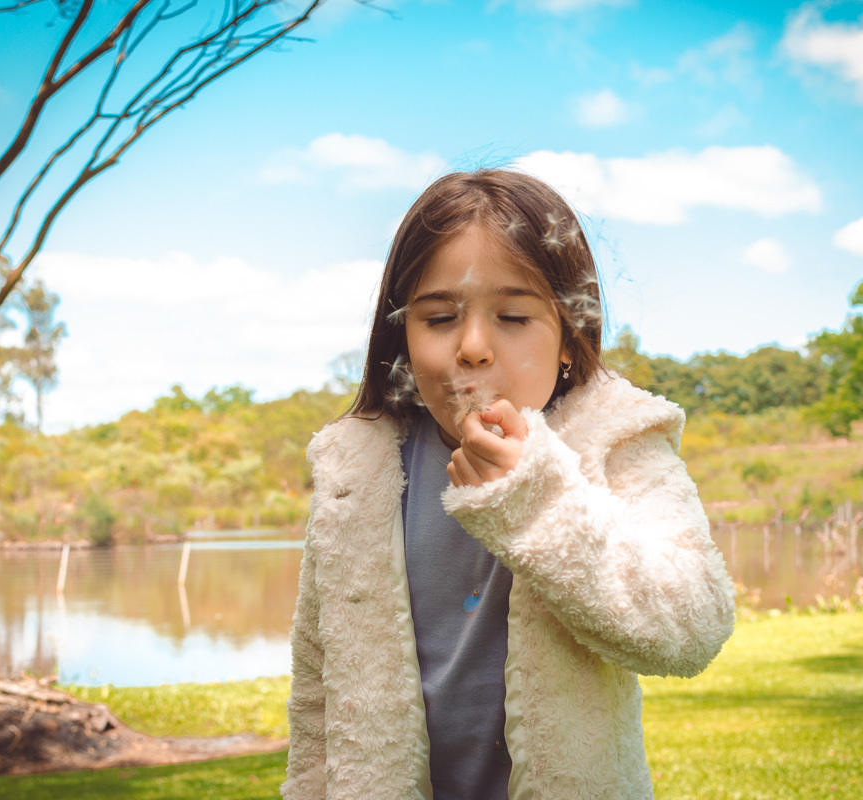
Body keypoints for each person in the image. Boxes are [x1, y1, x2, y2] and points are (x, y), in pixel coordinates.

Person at [282, 169, 735, 800]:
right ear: (402, 339)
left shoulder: (613, 440)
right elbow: (316, 691)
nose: (472, 348)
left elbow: (693, 628)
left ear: (571, 339)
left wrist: (535, 499)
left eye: (514, 316)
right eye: (439, 318)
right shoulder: (356, 468)